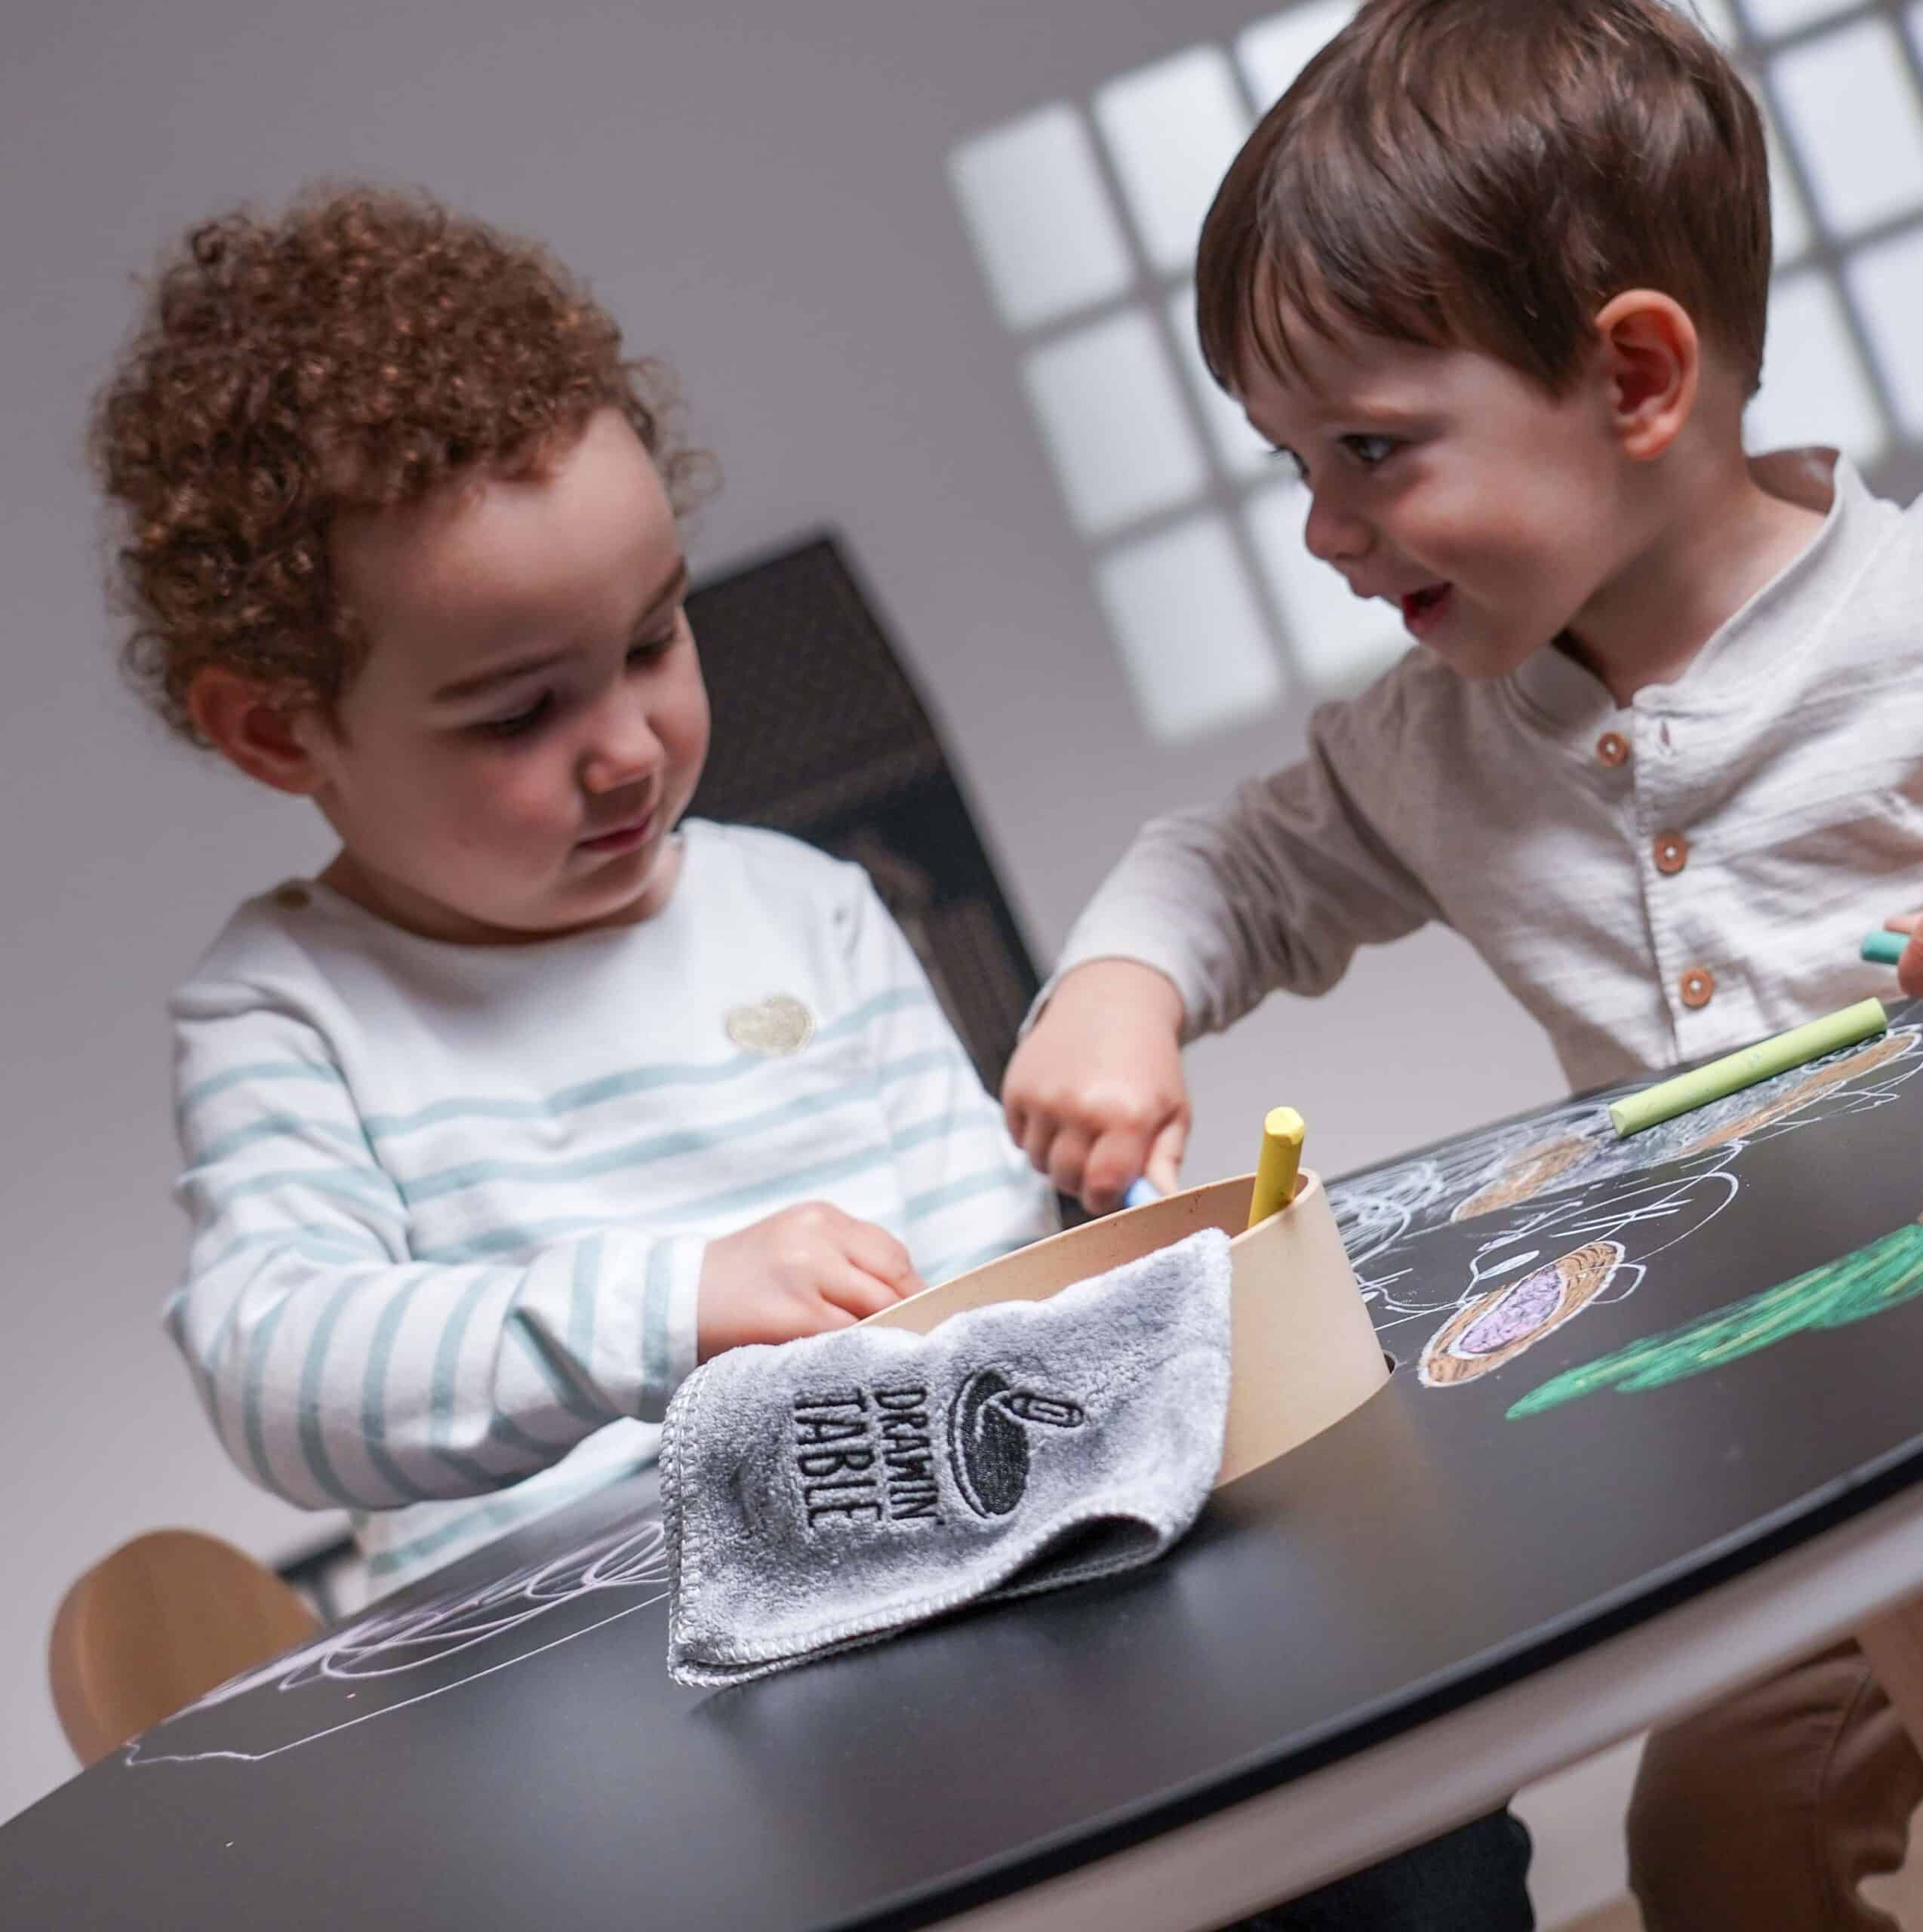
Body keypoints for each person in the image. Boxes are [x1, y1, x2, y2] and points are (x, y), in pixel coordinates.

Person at [1002, 1, 1923, 1925]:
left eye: (1369, 450)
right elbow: (1229, 861)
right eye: (1286, 463)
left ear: (1635, 377)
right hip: (1795, 1454)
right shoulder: (1444, 739)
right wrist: (1121, 981)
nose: (1325, 530)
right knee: (1715, 1852)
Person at [91, 186, 1054, 1598]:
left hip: (923, 1575)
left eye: (656, 636)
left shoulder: (810, 911)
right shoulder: (289, 1012)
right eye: (515, 713)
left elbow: (995, 1255)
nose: (627, 747)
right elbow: (275, 1373)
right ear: (280, 731)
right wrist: (668, 1311)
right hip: (587, 1687)